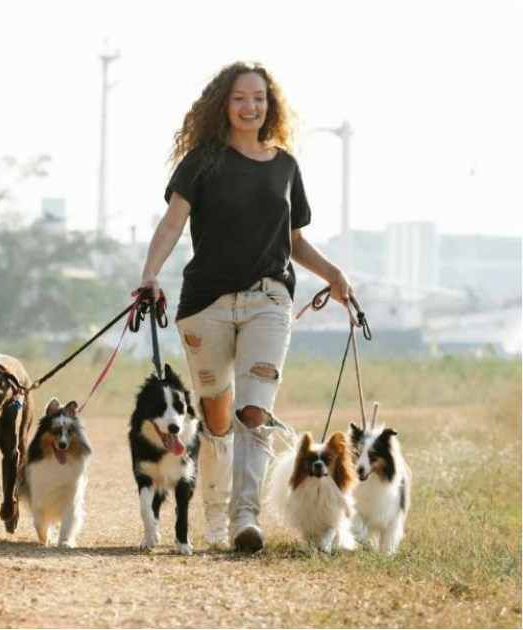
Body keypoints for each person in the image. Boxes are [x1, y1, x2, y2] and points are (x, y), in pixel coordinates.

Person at [137, 61, 353, 553]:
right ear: (224, 104)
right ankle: (214, 516)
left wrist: (333, 275)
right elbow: (172, 225)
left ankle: (244, 519)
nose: (250, 106)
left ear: (269, 104)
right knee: (215, 419)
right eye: (239, 98)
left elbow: (293, 240)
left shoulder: (285, 166)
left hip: (269, 300)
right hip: (205, 304)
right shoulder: (202, 161)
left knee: (254, 412)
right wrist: (150, 274)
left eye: (258, 97)